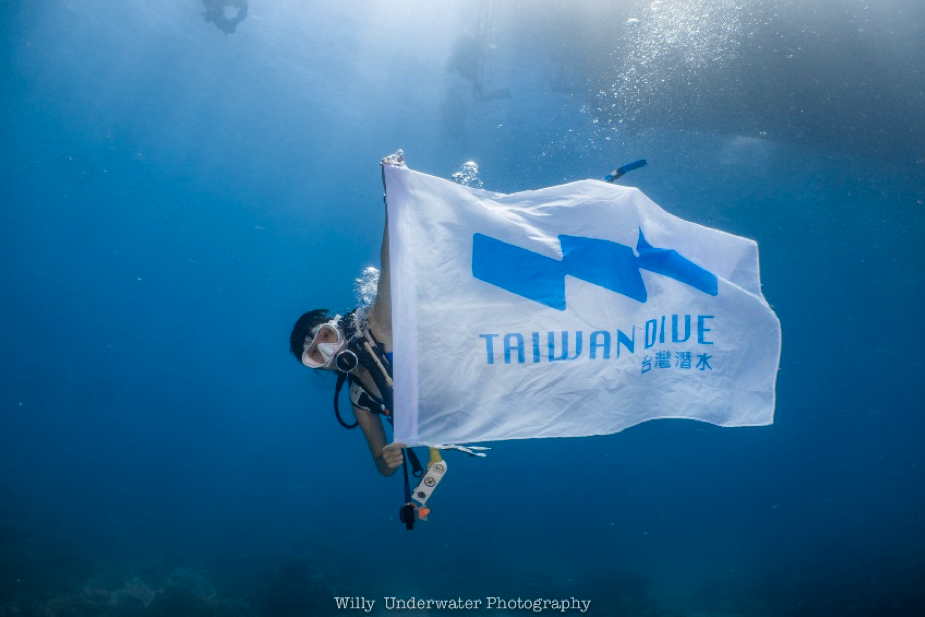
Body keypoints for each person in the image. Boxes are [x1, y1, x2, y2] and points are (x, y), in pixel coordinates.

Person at [289, 210, 406, 477]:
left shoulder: (376, 322)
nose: (329, 352)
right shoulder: (360, 398)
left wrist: (393, 200)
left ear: (337, 326)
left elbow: (390, 263)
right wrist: (387, 459)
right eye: (316, 354)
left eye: (326, 335)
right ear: (319, 367)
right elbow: (382, 465)